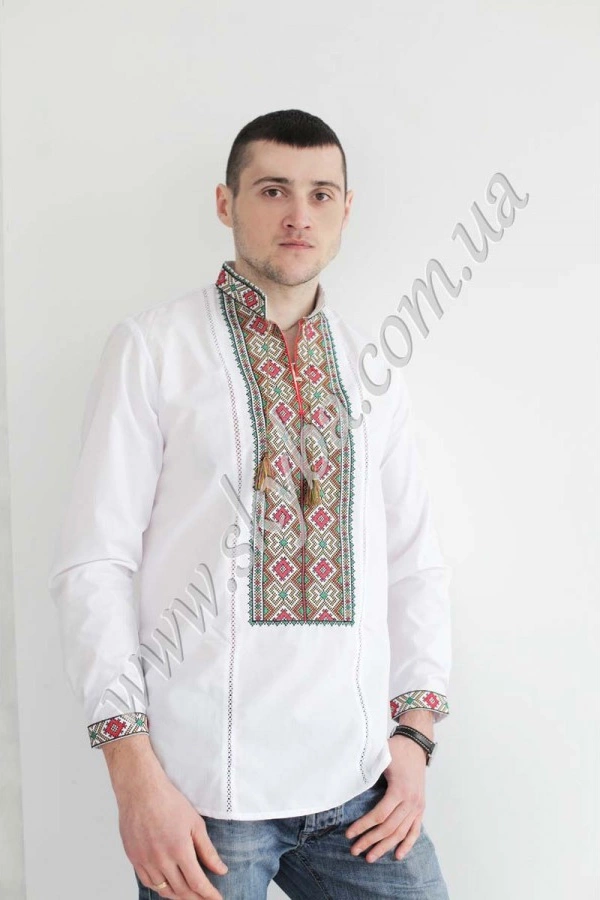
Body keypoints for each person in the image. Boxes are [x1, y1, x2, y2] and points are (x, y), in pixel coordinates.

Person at [48, 108, 453, 900]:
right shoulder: (153, 349)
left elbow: (413, 559)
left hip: (360, 786)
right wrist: (134, 779)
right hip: (205, 798)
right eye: (272, 190)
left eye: (320, 194)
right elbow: (94, 564)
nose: (299, 214)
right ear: (226, 202)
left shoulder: (370, 368)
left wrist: (415, 737)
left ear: (345, 210)